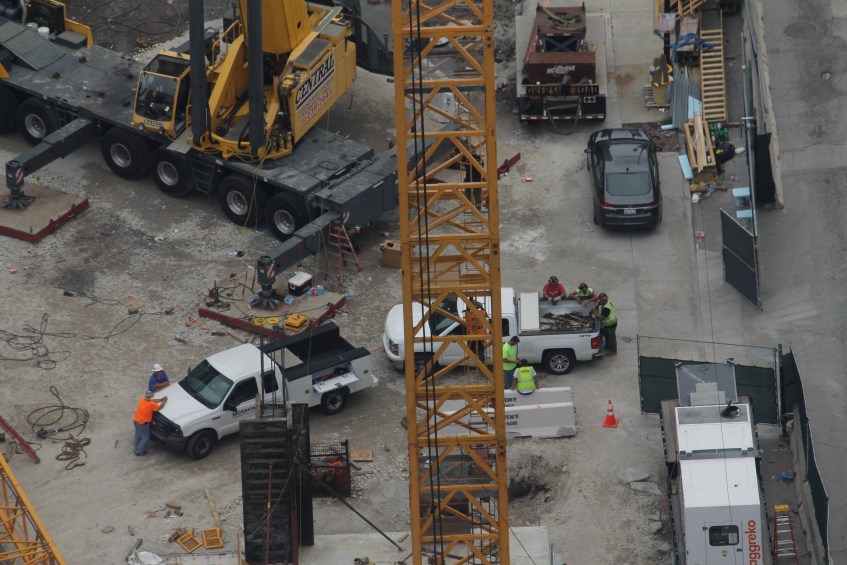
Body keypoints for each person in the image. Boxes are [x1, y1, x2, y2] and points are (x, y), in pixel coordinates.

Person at [133, 391, 168, 456]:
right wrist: (164, 401)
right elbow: (160, 407)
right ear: (151, 397)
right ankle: (139, 451)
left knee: (138, 436)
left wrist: (160, 399)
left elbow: (153, 401)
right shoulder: (151, 404)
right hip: (143, 424)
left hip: (136, 421)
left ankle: (136, 449)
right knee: (145, 438)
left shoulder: (142, 400)